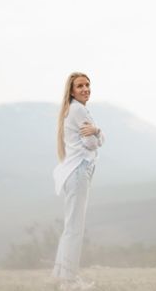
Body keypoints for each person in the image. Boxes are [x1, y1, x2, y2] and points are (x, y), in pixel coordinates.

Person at [52, 72, 104, 290]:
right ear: (71, 91)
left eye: (88, 85)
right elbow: (93, 144)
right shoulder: (79, 109)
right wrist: (99, 132)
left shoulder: (72, 109)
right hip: (79, 170)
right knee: (75, 228)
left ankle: (60, 276)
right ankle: (69, 282)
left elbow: (95, 138)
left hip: (74, 172)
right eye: (80, 86)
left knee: (71, 226)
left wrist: (97, 131)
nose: (85, 89)